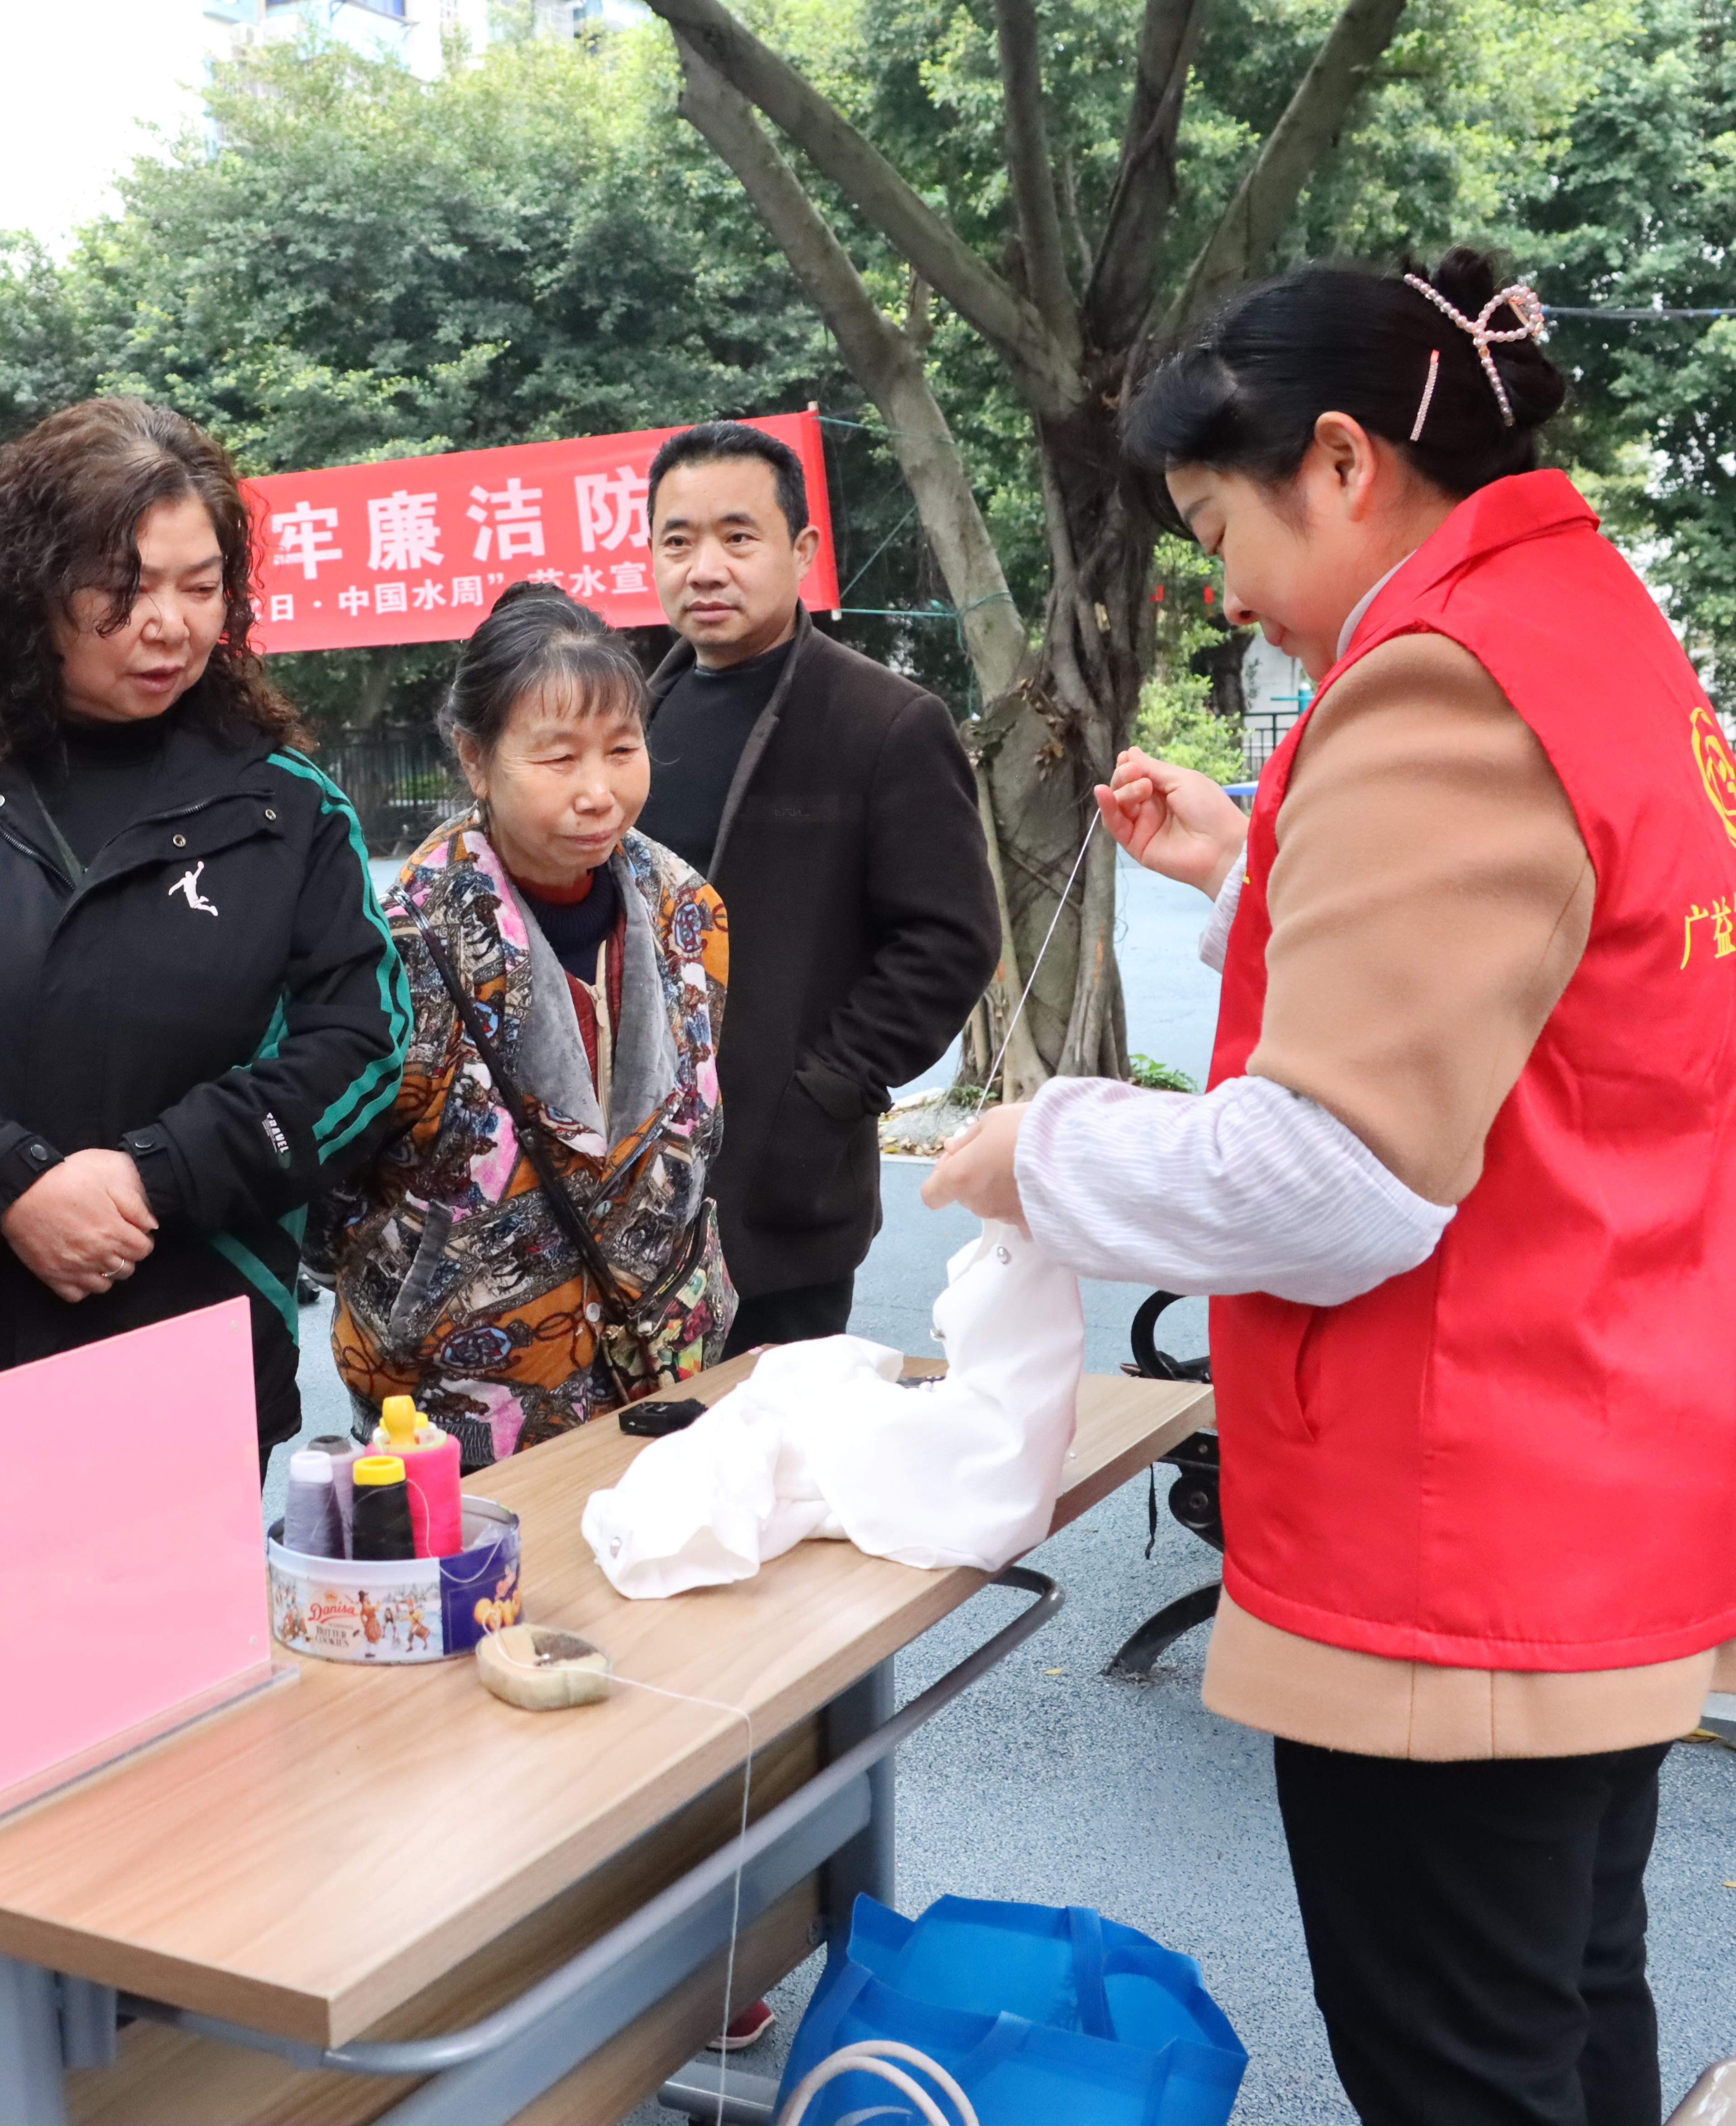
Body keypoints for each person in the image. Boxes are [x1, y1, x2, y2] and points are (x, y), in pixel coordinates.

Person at [925, 248, 1736, 2126]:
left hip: (1456, 1517)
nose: (1225, 591)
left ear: (1346, 463)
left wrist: (1030, 1150)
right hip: (1606, 1461)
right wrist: (1253, 856)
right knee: (1566, 1998)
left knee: (1464, 2063)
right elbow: (1551, 994)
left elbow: (1338, 1170)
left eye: (1220, 524)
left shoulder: (1436, 685)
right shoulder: (1595, 635)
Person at [0, 395, 407, 1460]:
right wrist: (9, 1179)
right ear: (33, 586)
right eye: (126, 586)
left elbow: (361, 1045)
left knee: (193, 1632)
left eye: (202, 587)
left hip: (194, 1343)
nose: (171, 623)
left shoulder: (284, 805)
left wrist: (158, 1172)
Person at [320, 583, 732, 1464]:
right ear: (475, 760)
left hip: (661, 1368)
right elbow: (336, 1185)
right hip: (459, 1412)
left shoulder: (689, 908)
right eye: (558, 759)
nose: (599, 792)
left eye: (623, 750)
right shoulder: (401, 940)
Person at [635, 420, 1000, 1350]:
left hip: (779, 1191)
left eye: (736, 536)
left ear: (800, 551)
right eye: (676, 541)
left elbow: (948, 940)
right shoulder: (631, 720)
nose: (704, 567)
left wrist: (825, 1091)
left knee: (779, 1472)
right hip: (622, 1200)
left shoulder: (883, 721)